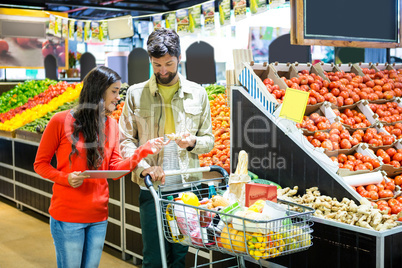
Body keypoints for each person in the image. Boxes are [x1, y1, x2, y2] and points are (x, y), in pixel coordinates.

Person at [34, 66, 167, 268]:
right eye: (114, 91)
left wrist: (143, 151)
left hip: (98, 216)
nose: (118, 97)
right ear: (98, 90)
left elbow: (114, 171)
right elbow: (40, 164)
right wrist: (66, 178)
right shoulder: (60, 121)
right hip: (68, 217)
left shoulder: (111, 125)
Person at [119, 28, 214, 267]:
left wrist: (192, 142)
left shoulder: (198, 93)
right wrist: (143, 169)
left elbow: (208, 140)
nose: (163, 71)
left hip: (186, 188)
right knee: (154, 256)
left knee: (180, 255)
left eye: (169, 64)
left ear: (179, 58)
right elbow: (125, 141)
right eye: (157, 64)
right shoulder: (135, 93)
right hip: (152, 188)